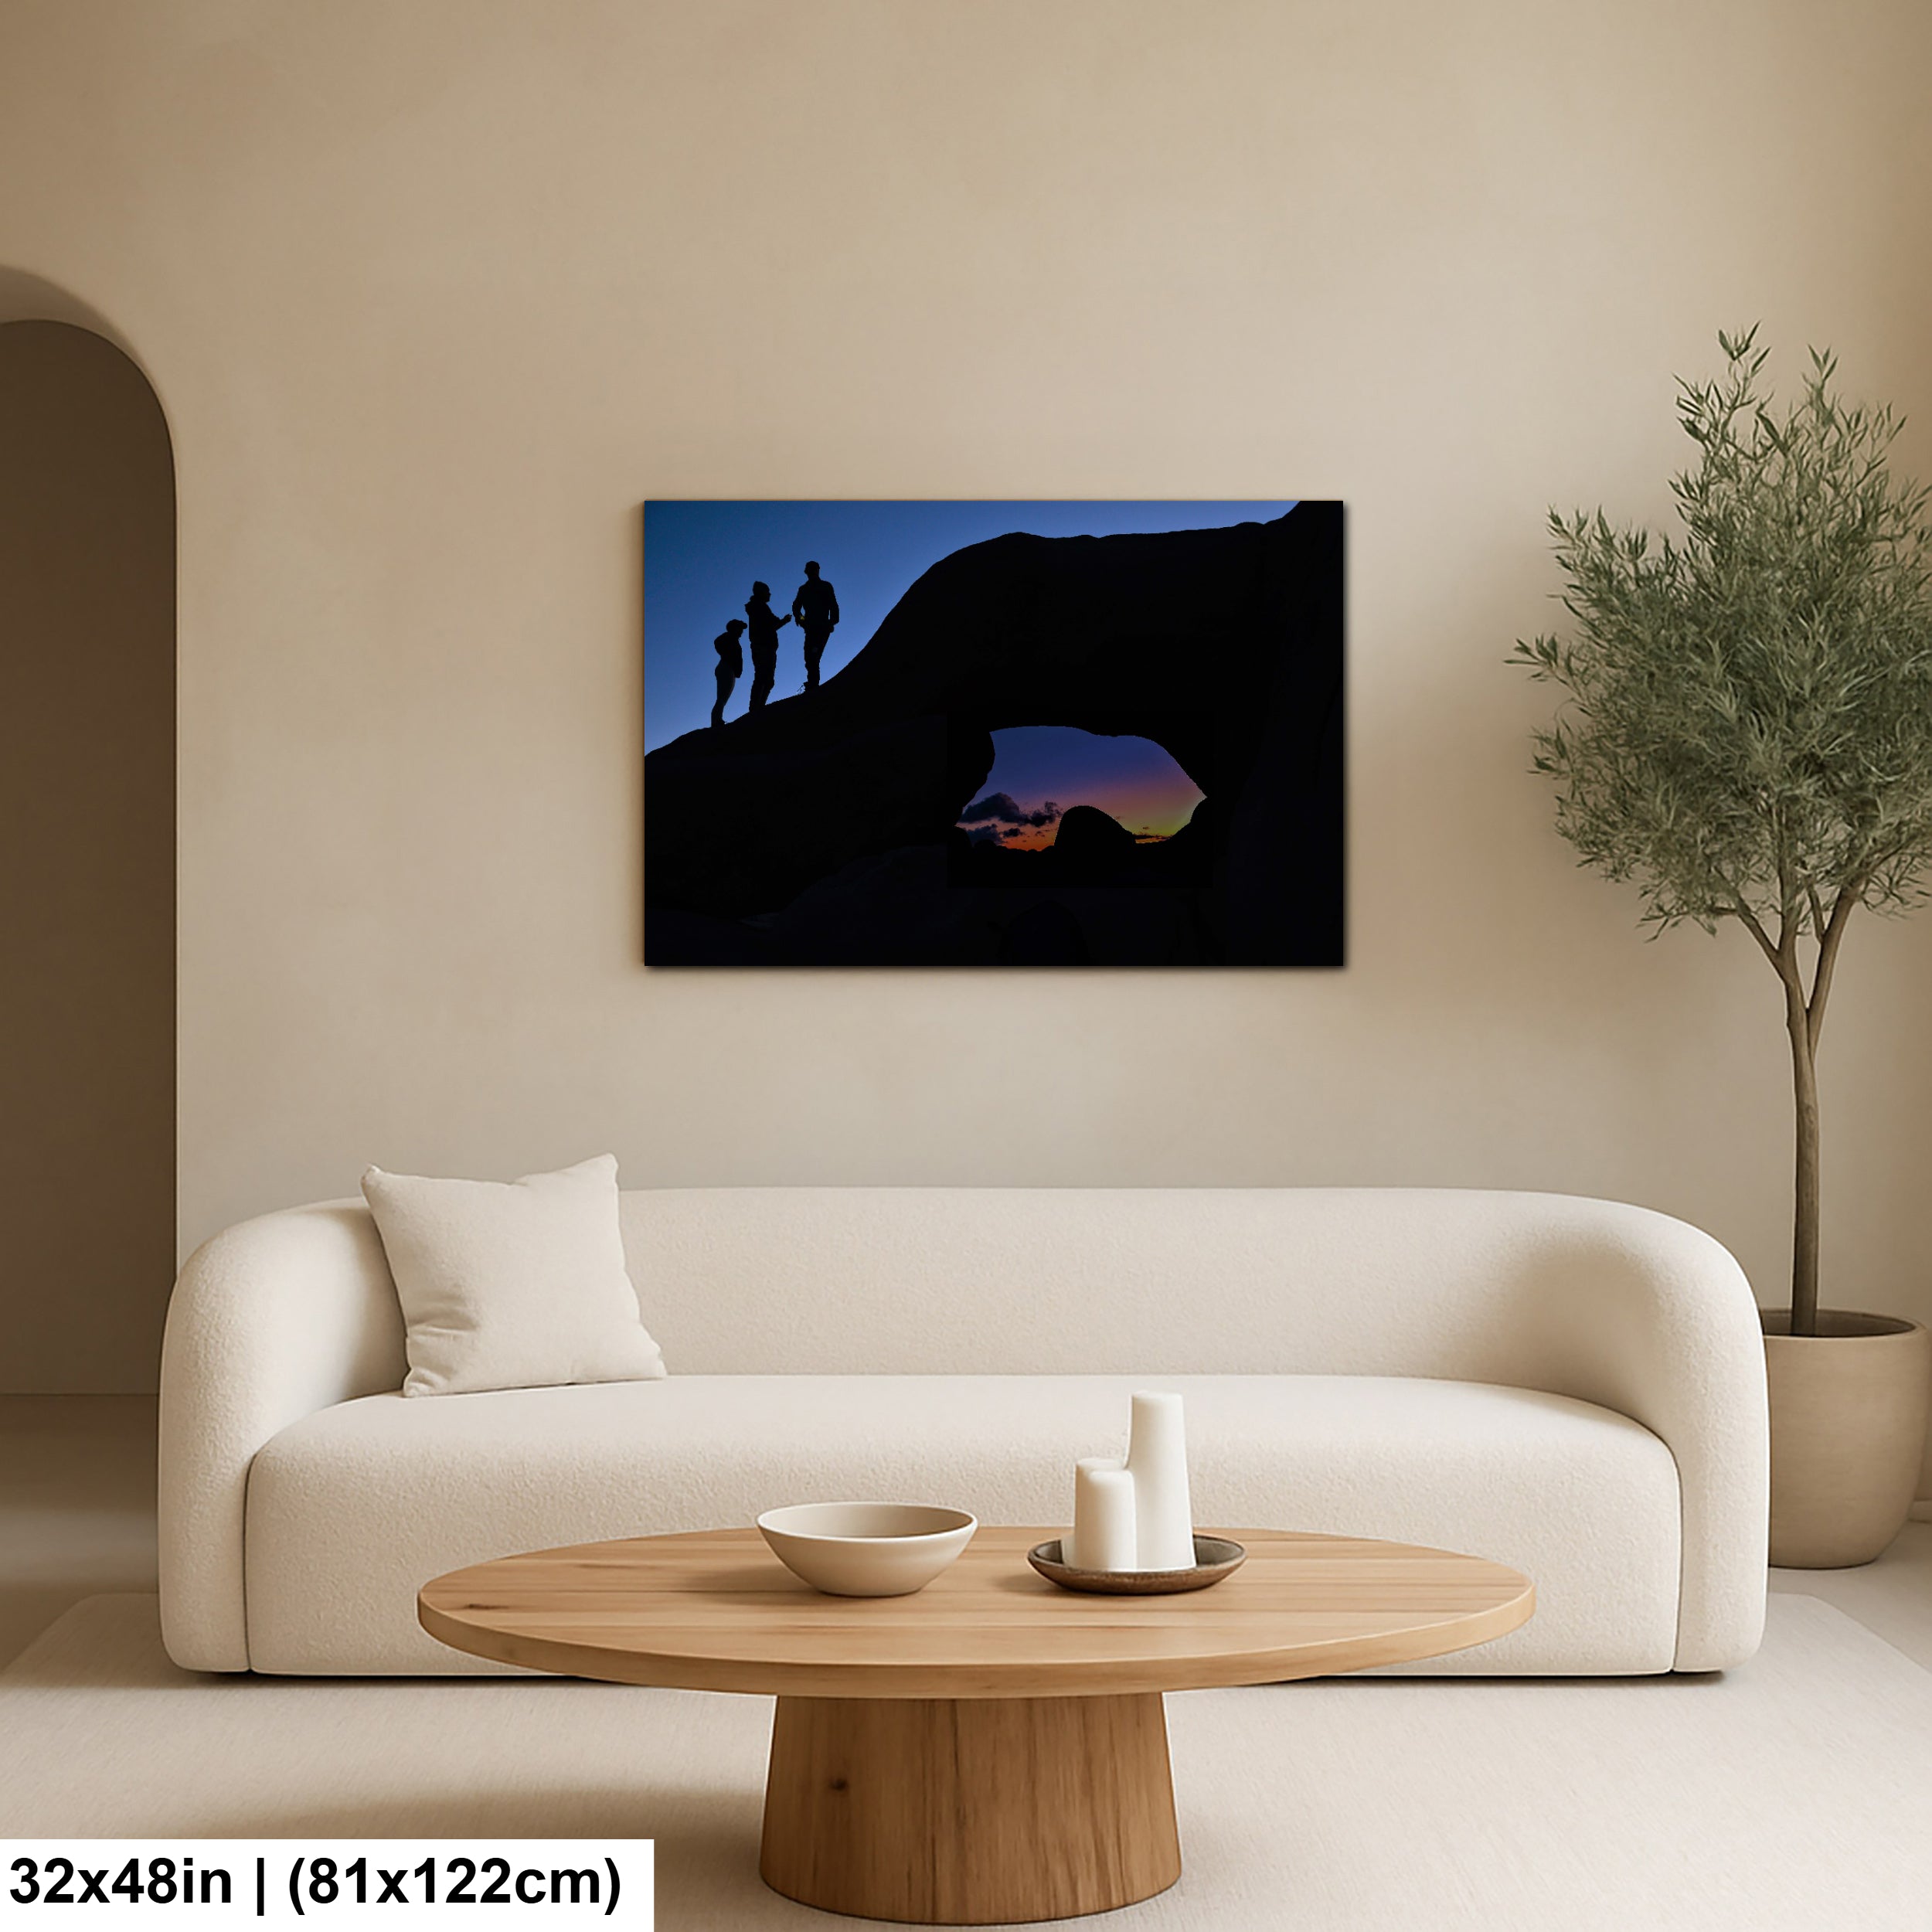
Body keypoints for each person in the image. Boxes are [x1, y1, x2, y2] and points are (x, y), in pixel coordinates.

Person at [791, 560, 840, 692]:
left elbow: (833, 605)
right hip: (811, 628)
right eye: (810, 569)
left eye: (814, 569)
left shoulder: (825, 586)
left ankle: (813, 685)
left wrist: (832, 622)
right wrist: (802, 621)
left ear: (817, 570)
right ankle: (812, 685)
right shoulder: (804, 589)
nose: (812, 572)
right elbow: (796, 608)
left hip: (822, 627)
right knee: (810, 658)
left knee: (813, 657)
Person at [743, 580, 791, 711]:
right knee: (764, 678)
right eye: (767, 591)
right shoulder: (760, 608)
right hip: (763, 647)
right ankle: (756, 709)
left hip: (763, 647)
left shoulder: (759, 607)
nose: (770, 594)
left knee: (765, 678)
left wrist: (782, 622)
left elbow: (773, 624)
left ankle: (757, 708)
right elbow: (772, 626)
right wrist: (784, 621)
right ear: (761, 593)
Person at [710, 617, 746, 728]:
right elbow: (717, 642)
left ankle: (717, 720)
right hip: (726, 668)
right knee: (722, 697)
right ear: (735, 628)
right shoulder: (729, 638)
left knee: (722, 697)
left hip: (728, 668)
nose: (741, 631)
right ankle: (716, 721)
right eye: (740, 628)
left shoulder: (732, 639)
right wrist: (726, 655)